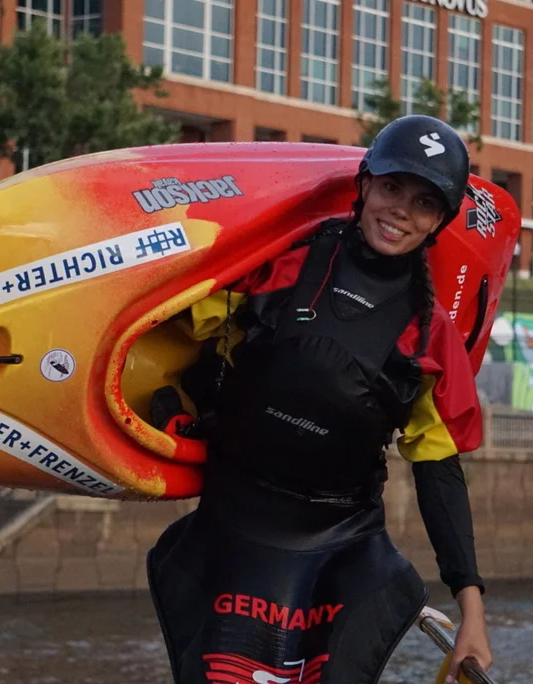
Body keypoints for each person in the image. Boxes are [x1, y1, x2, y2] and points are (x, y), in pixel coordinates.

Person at [145, 115, 492, 684]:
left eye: (424, 202)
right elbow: (168, 327)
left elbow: (438, 472)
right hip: (234, 531)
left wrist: (471, 612)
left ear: (439, 222)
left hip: (340, 549)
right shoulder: (281, 262)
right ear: (365, 183)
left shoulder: (430, 335)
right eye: (392, 187)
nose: (401, 209)